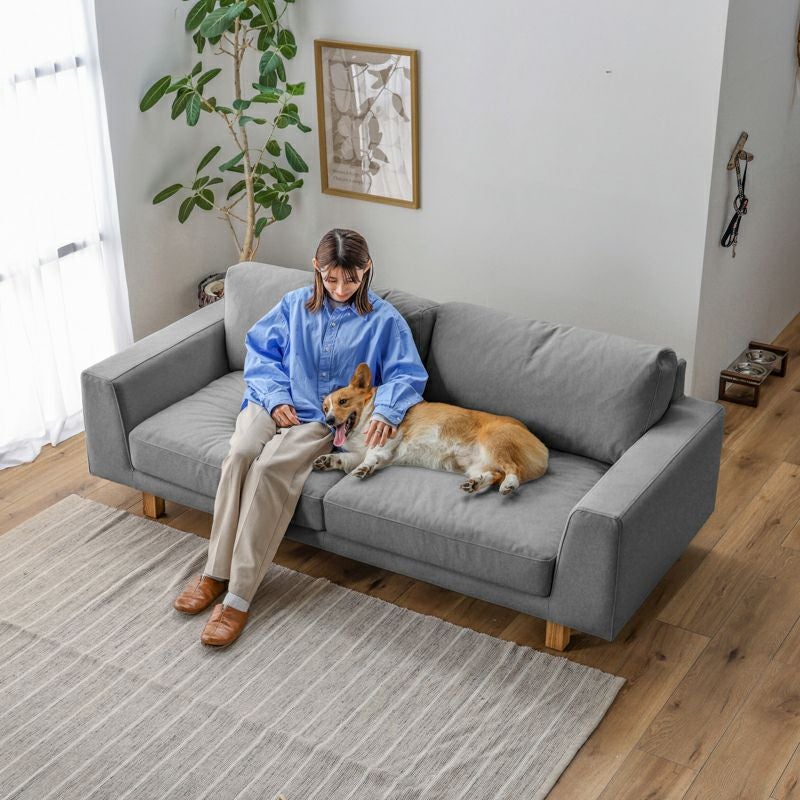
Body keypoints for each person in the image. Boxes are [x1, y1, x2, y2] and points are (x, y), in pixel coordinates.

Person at [173, 228, 429, 647]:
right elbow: (260, 354)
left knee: (270, 469)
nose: (341, 289)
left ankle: (238, 597)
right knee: (239, 454)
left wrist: (386, 409)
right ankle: (213, 574)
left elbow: (407, 374)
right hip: (269, 400)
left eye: (351, 279)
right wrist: (275, 399)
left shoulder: (385, 321)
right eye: (331, 279)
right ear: (317, 268)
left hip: (319, 419)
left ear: (367, 269)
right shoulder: (293, 305)